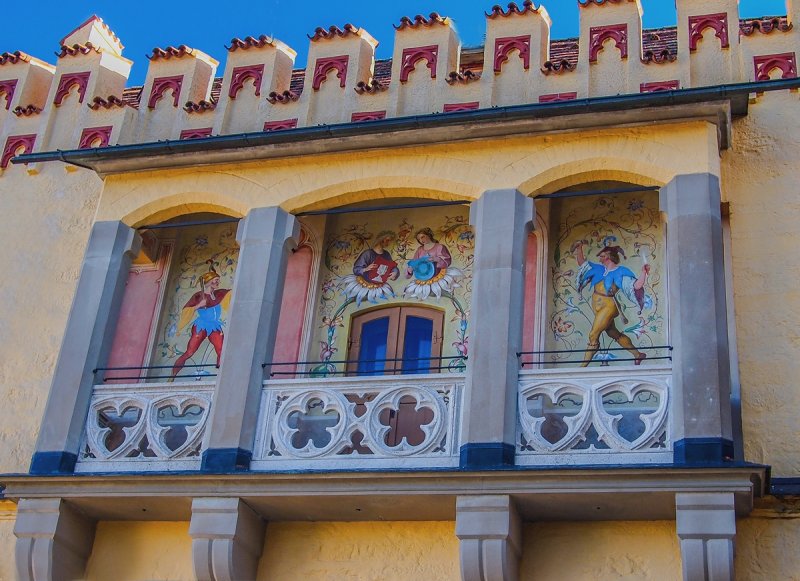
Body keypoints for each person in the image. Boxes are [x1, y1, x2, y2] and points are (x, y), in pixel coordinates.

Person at [571, 242, 650, 367]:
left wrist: (643, 273)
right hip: (597, 307)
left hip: (608, 306)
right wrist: (579, 248)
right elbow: (583, 264)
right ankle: (637, 354)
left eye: (602, 255)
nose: (599, 258)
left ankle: (582, 368)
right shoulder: (599, 269)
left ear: (608, 256)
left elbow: (635, 286)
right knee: (613, 333)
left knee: (593, 334)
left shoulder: (620, 271)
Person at [171, 261, 231, 378]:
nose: (218, 282)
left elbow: (231, 293)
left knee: (221, 351)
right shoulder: (199, 296)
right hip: (201, 325)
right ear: (208, 282)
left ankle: (221, 378)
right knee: (190, 352)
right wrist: (199, 305)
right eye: (215, 280)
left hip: (214, 326)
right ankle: (172, 376)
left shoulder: (219, 294)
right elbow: (186, 310)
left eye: (218, 280)